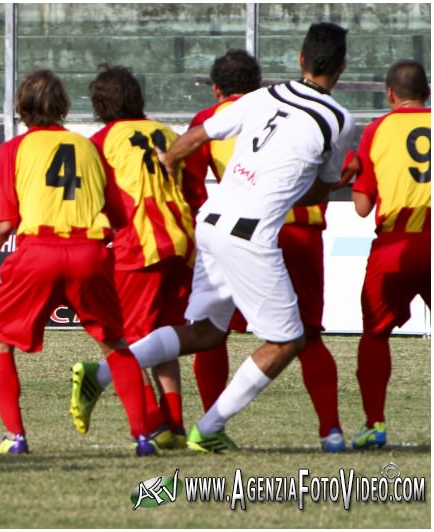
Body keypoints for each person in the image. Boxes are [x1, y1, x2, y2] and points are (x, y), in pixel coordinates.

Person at [72, 22, 355, 453]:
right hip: (251, 235)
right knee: (288, 340)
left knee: (204, 332)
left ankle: (103, 373)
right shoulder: (338, 119)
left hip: (212, 223)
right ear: (343, 66)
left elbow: (201, 134)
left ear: (301, 58)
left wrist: (168, 160)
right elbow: (316, 189)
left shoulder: (266, 95)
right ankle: (209, 426)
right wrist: (335, 184)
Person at [0, 69, 157, 456]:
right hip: (89, 253)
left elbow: (5, 222)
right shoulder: (89, 147)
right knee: (116, 345)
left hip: (39, 252)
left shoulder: (14, 149)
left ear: (20, 107)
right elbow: (119, 214)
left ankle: (15, 437)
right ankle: (142, 437)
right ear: (64, 107)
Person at [183, 49, 346, 453]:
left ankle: (210, 421)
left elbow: (190, 183)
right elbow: (338, 171)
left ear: (217, 88)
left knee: (211, 333)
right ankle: (331, 431)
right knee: (308, 336)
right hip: (299, 234)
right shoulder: (304, 110)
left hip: (239, 235)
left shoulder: (213, 118)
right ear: (257, 82)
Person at [68, 64, 196, 450]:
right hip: (182, 244)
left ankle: (153, 423)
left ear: (99, 104)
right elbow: (191, 191)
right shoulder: (169, 133)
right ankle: (174, 422)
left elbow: (95, 198)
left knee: (127, 342)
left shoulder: (102, 141)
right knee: (163, 339)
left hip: (139, 247)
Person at [343, 59, 430, 449]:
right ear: (426, 92)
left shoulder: (377, 129)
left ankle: (375, 424)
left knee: (375, 335)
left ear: (390, 94)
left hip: (396, 243)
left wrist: (351, 172)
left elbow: (362, 207)